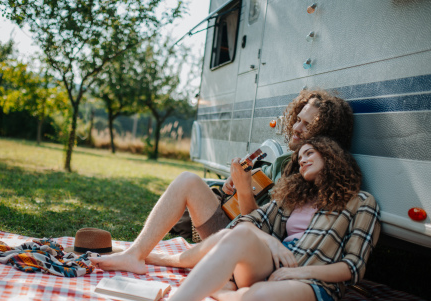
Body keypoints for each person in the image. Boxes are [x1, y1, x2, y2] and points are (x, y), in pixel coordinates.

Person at [111, 137, 381, 301]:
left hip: (315, 283)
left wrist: (296, 272)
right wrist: (273, 243)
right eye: (300, 157)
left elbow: (354, 268)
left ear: (332, 156)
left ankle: (222, 290)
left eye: (310, 152)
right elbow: (246, 222)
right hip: (272, 264)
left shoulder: (361, 202)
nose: (302, 159)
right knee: (239, 232)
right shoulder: (292, 198)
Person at [92, 89, 354, 274]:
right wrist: (234, 187)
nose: (296, 127)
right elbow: (247, 203)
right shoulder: (283, 161)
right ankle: (137, 253)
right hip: (232, 224)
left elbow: (259, 229)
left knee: (189, 185)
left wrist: (242, 188)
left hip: (247, 244)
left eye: (307, 125)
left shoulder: (307, 173)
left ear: (323, 135)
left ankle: (140, 254)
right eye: (298, 119)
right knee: (189, 180)